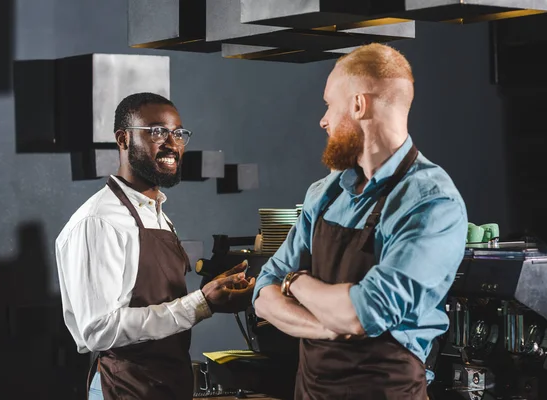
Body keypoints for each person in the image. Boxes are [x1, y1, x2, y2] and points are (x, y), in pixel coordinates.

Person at [252, 43, 468, 399]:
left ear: (357, 104)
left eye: (328, 104)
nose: (323, 120)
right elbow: (263, 292)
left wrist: (296, 281)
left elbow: (362, 314)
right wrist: (327, 327)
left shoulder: (431, 201)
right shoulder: (325, 192)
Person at [55, 92, 255, 400]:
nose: (172, 144)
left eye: (178, 134)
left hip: (167, 383)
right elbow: (99, 331)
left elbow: (159, 302)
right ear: (123, 139)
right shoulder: (99, 221)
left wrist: (215, 293)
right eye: (157, 132)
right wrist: (201, 303)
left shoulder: (157, 213)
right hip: (124, 387)